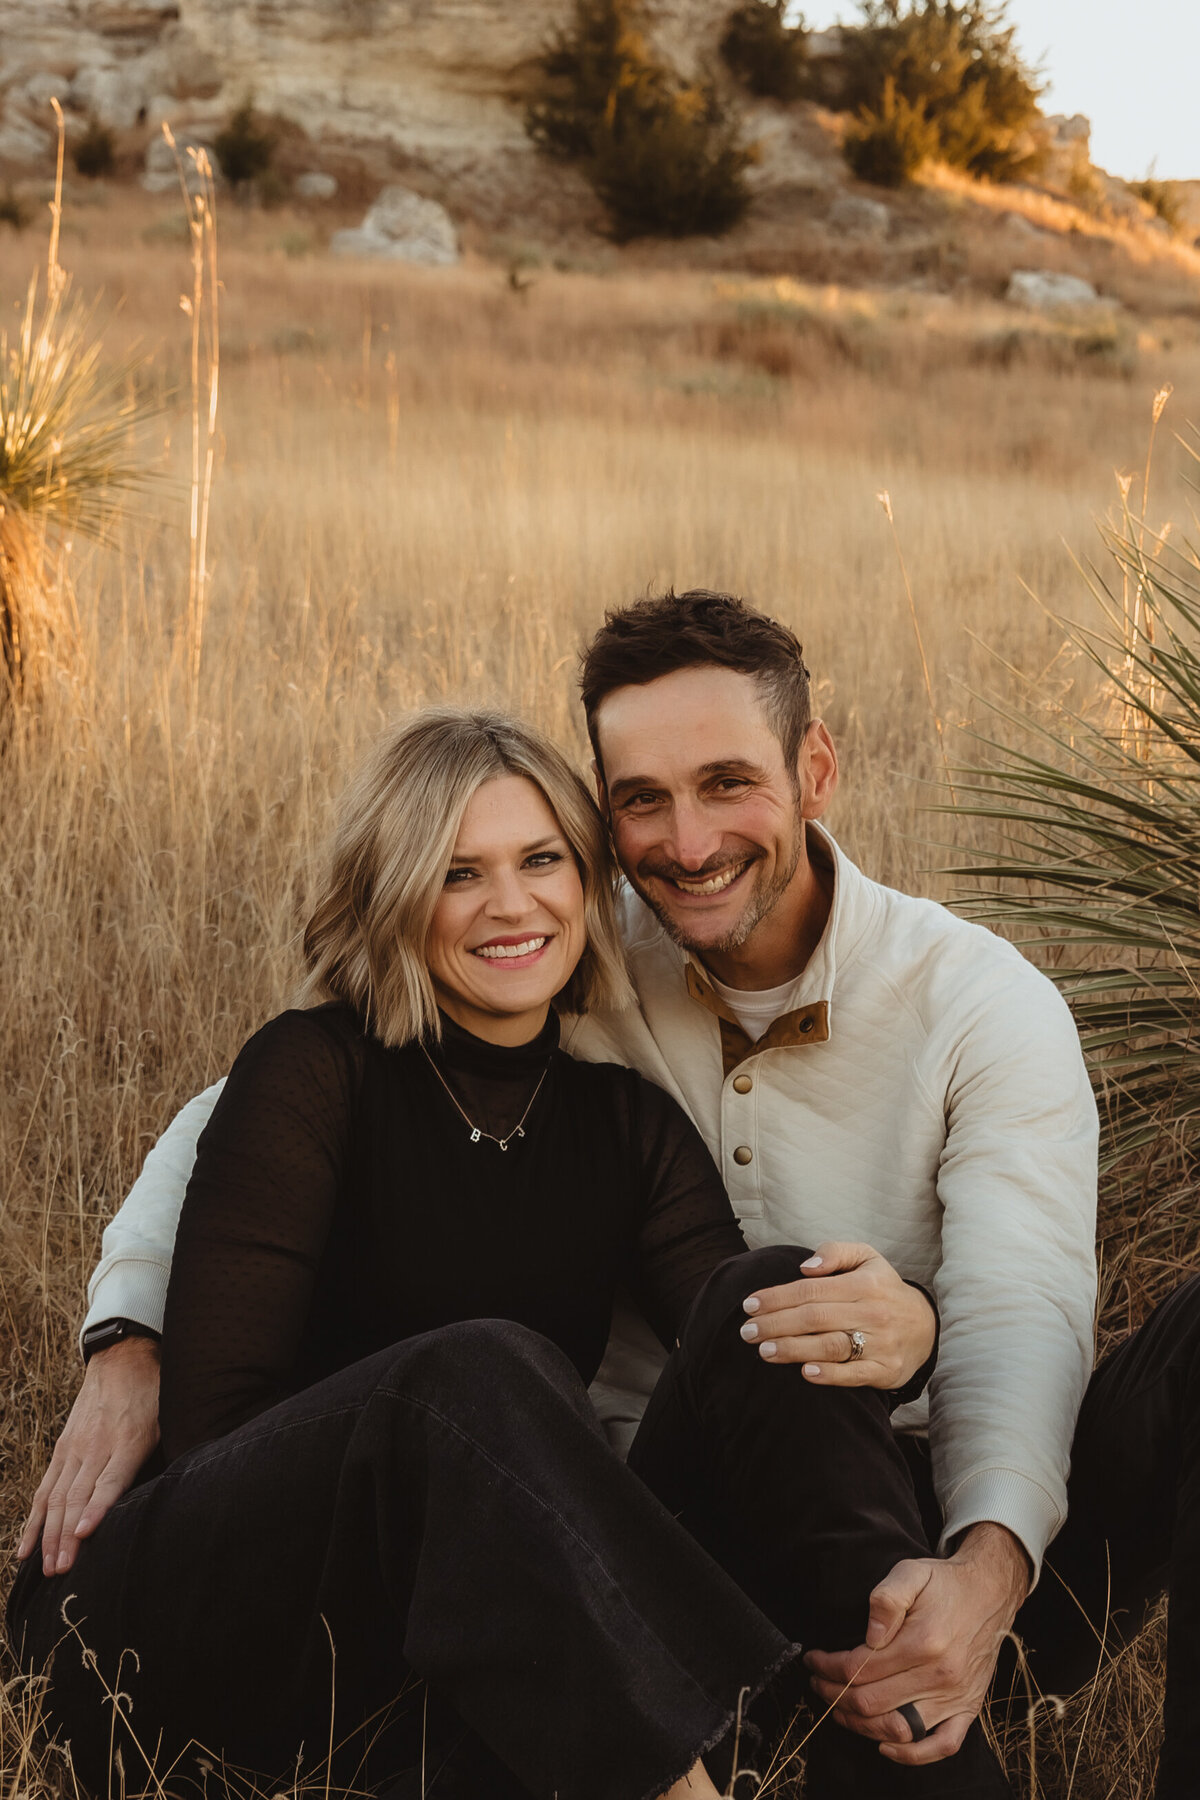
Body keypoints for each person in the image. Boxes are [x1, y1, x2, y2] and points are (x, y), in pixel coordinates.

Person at [18, 593, 1200, 1798]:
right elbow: (225, 1130)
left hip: (770, 1519)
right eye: (640, 801)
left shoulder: (956, 1010)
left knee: (774, 1295)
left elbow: (999, 1310)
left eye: (539, 862)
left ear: (814, 770)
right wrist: (127, 1335)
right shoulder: (440, 1008)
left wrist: (971, 1521)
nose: (685, 845)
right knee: (482, 1373)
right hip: (343, 1564)